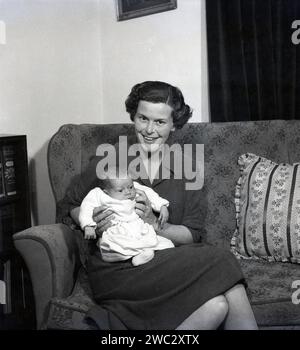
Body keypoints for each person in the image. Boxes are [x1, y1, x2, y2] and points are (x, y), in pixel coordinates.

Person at [61, 81, 258, 330]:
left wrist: (154, 224)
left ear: (174, 124)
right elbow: (71, 203)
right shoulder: (110, 158)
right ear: (133, 117)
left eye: (160, 122)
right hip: (116, 270)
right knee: (222, 260)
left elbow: (191, 236)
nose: (149, 130)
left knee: (217, 305)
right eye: (143, 118)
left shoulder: (189, 168)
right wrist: (92, 220)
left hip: (161, 263)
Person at [78, 167, 174, 266]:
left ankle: (142, 254)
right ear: (106, 191)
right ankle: (121, 256)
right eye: (120, 191)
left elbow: (150, 194)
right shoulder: (98, 194)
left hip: (136, 224)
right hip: (115, 227)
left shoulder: (133, 187)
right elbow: (86, 207)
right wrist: (88, 225)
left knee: (153, 239)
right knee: (117, 243)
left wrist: (162, 206)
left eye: (131, 187)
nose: (128, 192)